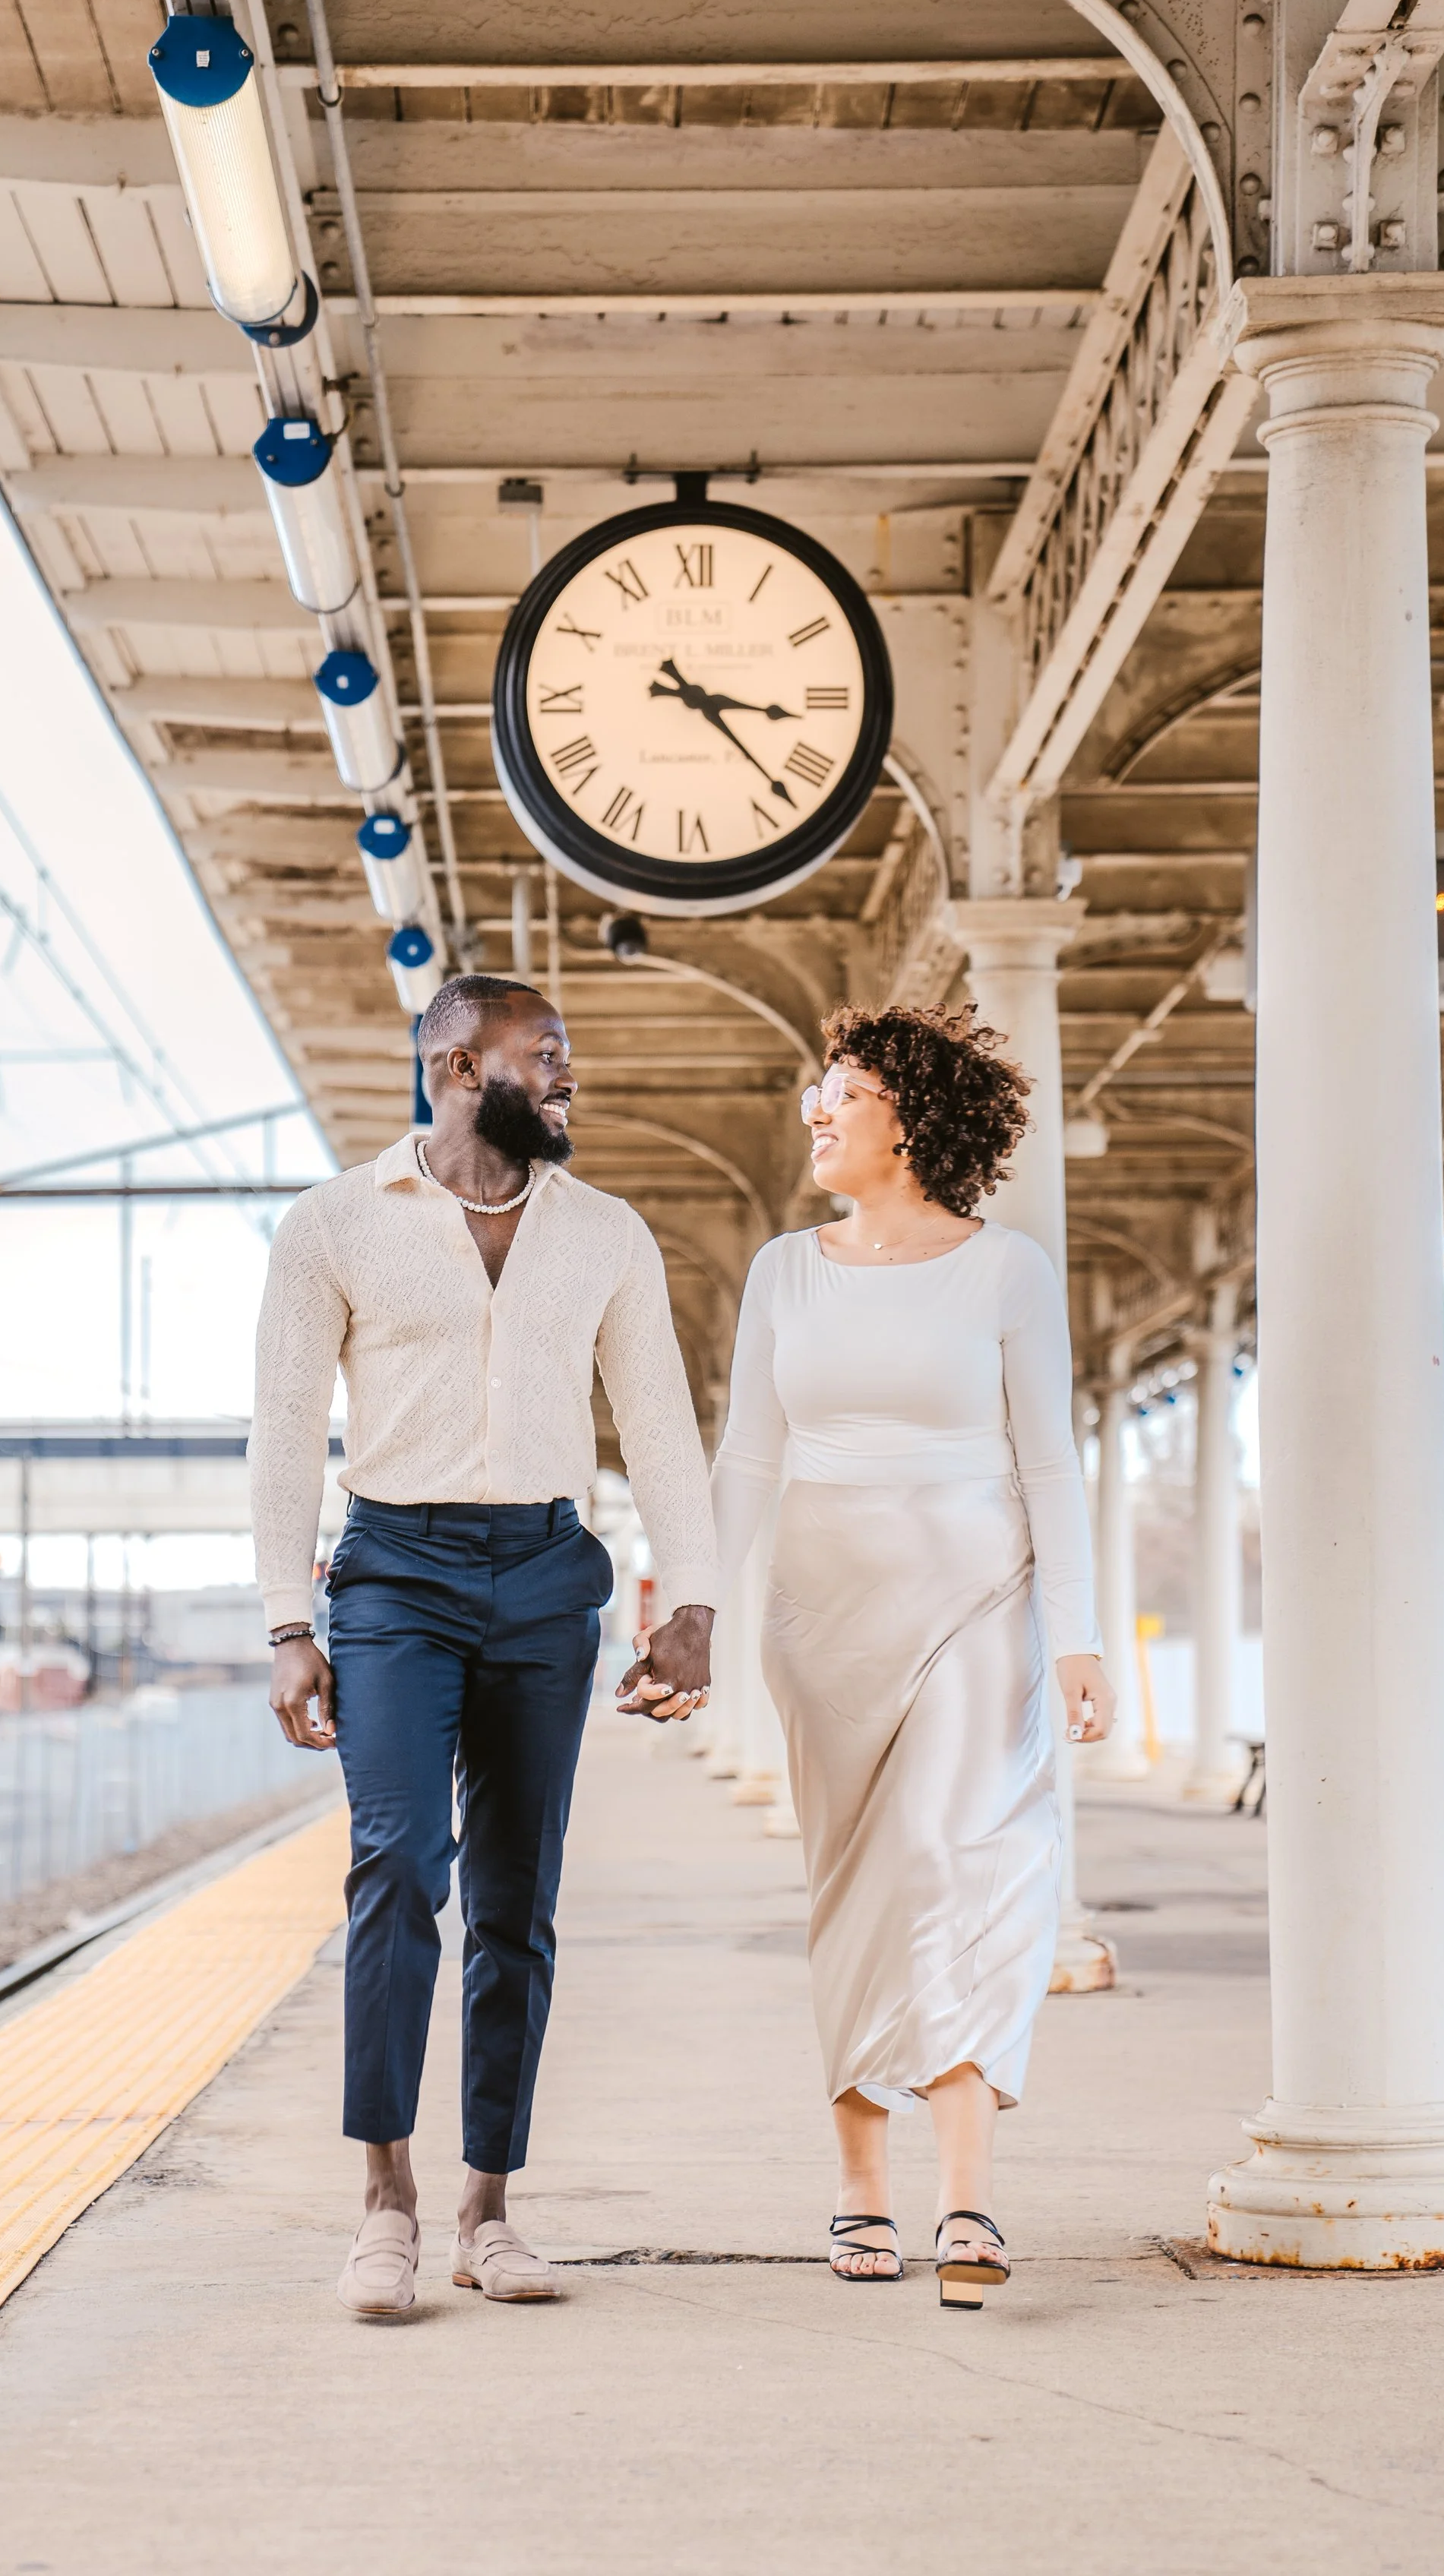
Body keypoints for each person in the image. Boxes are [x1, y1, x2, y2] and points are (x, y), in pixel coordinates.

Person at [251, 973, 719, 2321]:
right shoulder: (334, 1223)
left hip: (542, 1578)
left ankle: (488, 2204)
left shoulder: (606, 1233)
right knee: (400, 1864)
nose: (571, 1078)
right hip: (393, 1575)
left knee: (517, 1897)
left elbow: (661, 1420)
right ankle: (385, 2200)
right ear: (458, 1066)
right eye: (547, 1055)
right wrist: (292, 1621)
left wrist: (686, 1601)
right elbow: (285, 1432)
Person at [711, 1004, 1115, 2310]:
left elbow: (1048, 1457)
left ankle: (969, 2195)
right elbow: (749, 1458)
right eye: (815, 1096)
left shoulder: (1006, 1269)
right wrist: (700, 1613)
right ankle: (860, 2184)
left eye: (841, 1093)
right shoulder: (784, 1269)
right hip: (823, 1613)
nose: (817, 1113)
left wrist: (1080, 1636)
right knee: (855, 1885)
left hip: (977, 1600)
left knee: (960, 1858)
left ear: (911, 1114)